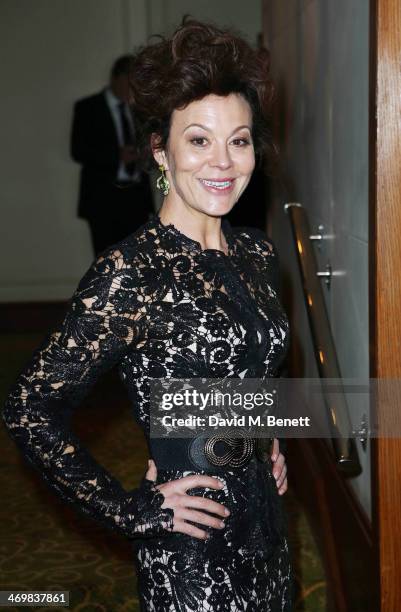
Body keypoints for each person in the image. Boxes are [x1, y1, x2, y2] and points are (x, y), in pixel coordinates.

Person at [3, 16, 292, 611]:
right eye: (199, 139)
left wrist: (268, 440)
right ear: (161, 149)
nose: (223, 161)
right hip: (192, 550)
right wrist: (130, 507)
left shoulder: (257, 254)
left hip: (267, 530)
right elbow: (29, 407)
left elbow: (249, 368)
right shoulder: (131, 273)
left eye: (239, 140)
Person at [70, 55, 155, 256]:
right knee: (106, 262)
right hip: (103, 199)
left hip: (136, 198)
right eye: (130, 82)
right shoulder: (88, 108)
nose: (134, 88)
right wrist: (117, 157)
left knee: (138, 261)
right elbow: (78, 151)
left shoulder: (140, 110)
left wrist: (144, 153)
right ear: (116, 78)